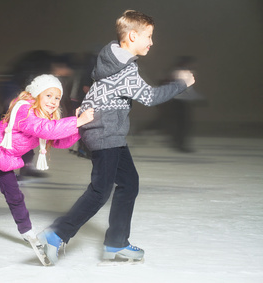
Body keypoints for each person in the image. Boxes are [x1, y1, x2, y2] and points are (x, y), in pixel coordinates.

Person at [37, 10, 195, 265]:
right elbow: (151, 97)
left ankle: (116, 242)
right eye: (149, 36)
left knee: (129, 183)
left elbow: (97, 89)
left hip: (108, 132)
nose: (152, 42)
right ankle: (56, 235)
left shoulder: (112, 59)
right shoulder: (124, 70)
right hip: (105, 133)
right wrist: (181, 84)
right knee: (100, 192)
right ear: (133, 36)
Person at [0, 74, 94, 262]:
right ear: (37, 95)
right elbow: (46, 129)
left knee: (15, 195)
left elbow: (58, 140)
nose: (53, 102)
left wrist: (79, 127)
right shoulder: (25, 110)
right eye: (49, 95)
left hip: (4, 155)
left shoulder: (46, 117)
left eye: (57, 98)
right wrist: (77, 121)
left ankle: (27, 231)